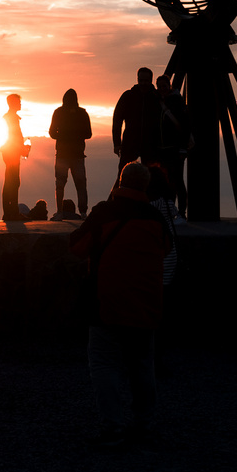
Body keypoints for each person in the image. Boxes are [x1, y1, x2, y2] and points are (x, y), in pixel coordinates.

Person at [69, 161, 173, 449]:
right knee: (142, 365)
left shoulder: (103, 214)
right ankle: (144, 425)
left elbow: (76, 247)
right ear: (145, 185)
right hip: (145, 304)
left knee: (104, 364)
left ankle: (113, 427)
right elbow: (166, 248)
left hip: (107, 303)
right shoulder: (155, 218)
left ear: (120, 181)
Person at [49, 88, 93, 220]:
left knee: (60, 184)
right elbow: (89, 134)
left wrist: (62, 135)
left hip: (62, 154)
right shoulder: (82, 113)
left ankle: (59, 212)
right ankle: (83, 212)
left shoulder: (58, 112)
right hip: (77, 154)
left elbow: (51, 133)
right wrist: (76, 136)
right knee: (80, 184)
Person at [112, 68, 163, 170]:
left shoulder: (157, 97)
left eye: (146, 80)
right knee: (124, 174)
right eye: (141, 80)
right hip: (130, 143)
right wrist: (117, 143)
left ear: (151, 80)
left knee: (153, 176)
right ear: (137, 79)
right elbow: (117, 120)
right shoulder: (128, 96)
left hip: (152, 144)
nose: (143, 83)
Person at [155, 75, 189, 215]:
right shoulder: (157, 101)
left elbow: (185, 126)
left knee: (177, 180)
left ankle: (181, 211)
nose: (162, 89)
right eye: (160, 86)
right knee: (166, 181)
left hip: (175, 149)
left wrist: (182, 148)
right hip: (162, 149)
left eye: (164, 86)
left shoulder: (177, 102)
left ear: (169, 86)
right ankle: (169, 210)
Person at [0, 93, 29, 222]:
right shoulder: (10, 118)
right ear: (12, 103)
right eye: (18, 102)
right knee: (12, 182)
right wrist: (21, 148)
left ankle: (10, 212)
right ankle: (11, 213)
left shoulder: (11, 118)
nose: (20, 104)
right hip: (11, 152)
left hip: (11, 151)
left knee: (11, 182)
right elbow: (13, 136)